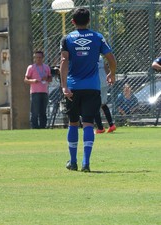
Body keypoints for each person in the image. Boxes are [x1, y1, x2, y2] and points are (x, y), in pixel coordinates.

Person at [60, 7, 117, 172]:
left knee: (72, 123)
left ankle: (73, 162)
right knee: (88, 124)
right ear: (89, 21)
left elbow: (64, 61)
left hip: (73, 87)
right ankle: (86, 162)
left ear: (73, 21)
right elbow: (111, 58)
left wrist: (64, 86)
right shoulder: (98, 37)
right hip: (92, 87)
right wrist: (112, 74)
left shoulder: (67, 38)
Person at [24, 50, 52, 129]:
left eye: (40, 57)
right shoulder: (31, 67)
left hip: (44, 92)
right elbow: (25, 79)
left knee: (43, 111)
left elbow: (50, 79)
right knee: (35, 112)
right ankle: (35, 127)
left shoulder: (46, 67)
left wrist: (47, 78)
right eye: (36, 57)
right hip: (35, 92)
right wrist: (33, 81)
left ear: (43, 58)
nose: (38, 59)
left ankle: (43, 126)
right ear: (34, 58)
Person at [94, 55, 116, 134]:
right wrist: (109, 77)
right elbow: (106, 67)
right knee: (103, 104)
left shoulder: (90, 55)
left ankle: (100, 128)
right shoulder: (100, 57)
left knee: (95, 105)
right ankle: (111, 125)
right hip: (104, 82)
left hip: (96, 83)